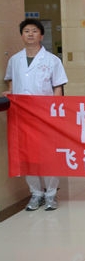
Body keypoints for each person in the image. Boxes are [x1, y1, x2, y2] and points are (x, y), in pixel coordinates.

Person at [3, 19, 68, 211]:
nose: (30, 34)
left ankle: (51, 194)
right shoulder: (15, 60)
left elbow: (58, 87)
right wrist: (10, 93)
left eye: (34, 31)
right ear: (21, 35)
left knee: (47, 154)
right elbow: (11, 82)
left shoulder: (52, 60)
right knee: (27, 155)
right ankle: (36, 193)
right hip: (21, 116)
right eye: (26, 31)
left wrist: (54, 113)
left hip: (44, 115)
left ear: (41, 35)